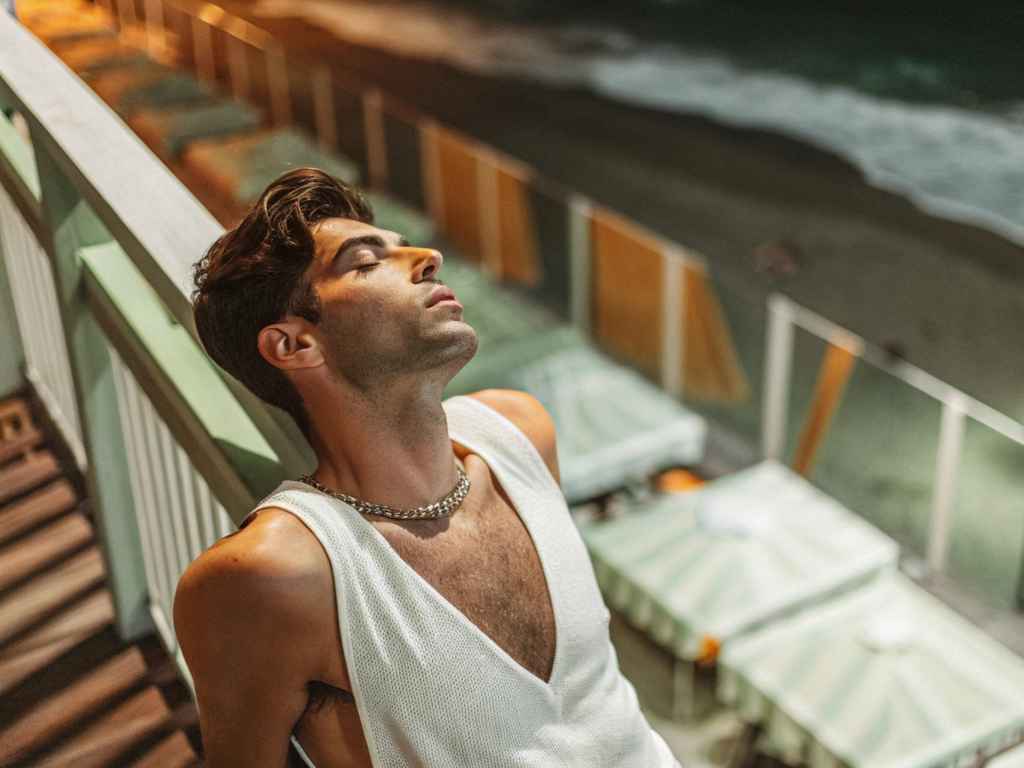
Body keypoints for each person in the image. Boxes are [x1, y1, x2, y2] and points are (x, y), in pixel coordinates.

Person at [174, 167, 680, 768]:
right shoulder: (277, 576)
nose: (430, 255)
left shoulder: (521, 434)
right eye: (365, 262)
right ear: (295, 345)